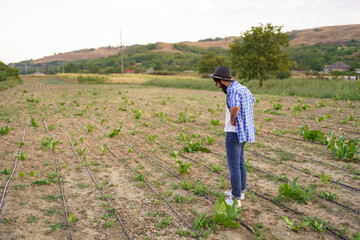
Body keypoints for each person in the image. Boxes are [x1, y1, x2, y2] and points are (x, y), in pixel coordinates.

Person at [209, 66, 256, 207]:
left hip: (234, 132)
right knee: (240, 163)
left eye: (216, 83)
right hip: (244, 131)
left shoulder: (232, 91)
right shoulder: (243, 88)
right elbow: (252, 101)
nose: (217, 86)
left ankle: (235, 199)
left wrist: (233, 119)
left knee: (233, 165)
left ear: (222, 80)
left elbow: (235, 107)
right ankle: (240, 191)